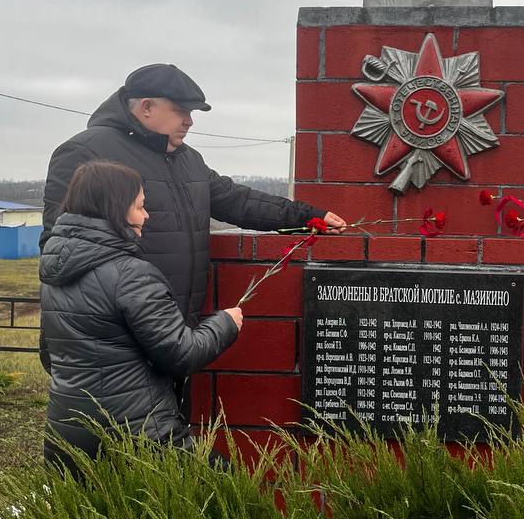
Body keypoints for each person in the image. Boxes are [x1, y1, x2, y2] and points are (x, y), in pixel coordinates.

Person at [43, 63, 346, 327]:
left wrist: (309, 217)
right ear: (146, 107)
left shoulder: (187, 159)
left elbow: (237, 201)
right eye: (181, 111)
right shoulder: (85, 153)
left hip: (174, 333)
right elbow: (60, 251)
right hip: (110, 340)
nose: (189, 120)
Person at [39, 160, 242, 472]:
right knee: (230, 484)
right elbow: (182, 354)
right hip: (138, 436)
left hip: (67, 435)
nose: (146, 215)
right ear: (116, 209)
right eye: (139, 206)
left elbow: (49, 356)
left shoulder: (53, 274)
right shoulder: (131, 275)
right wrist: (225, 323)